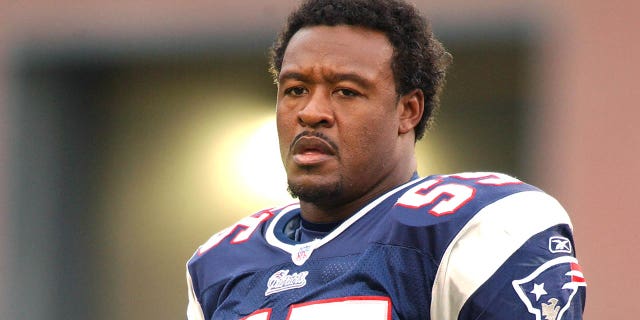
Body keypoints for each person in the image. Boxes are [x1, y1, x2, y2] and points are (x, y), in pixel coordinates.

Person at [186, 0, 587, 319]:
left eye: (345, 91)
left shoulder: (474, 224)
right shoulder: (221, 262)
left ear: (407, 110)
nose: (311, 112)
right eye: (295, 89)